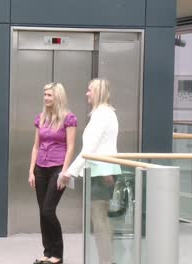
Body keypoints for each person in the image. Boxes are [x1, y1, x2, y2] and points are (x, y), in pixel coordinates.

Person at [62, 78, 122, 264]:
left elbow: (89, 149)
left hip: (101, 172)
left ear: (98, 92)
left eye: (89, 90)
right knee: (100, 218)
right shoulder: (104, 113)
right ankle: (107, 259)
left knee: (99, 219)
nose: (87, 93)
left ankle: (107, 260)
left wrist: (69, 172)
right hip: (101, 170)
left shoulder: (102, 114)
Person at [29, 83, 77, 264]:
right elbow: (36, 146)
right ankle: (47, 252)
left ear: (58, 97)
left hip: (58, 168)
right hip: (40, 168)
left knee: (49, 210)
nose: (46, 98)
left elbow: (71, 147)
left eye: (49, 95)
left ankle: (58, 254)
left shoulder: (69, 118)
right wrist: (30, 171)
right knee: (42, 211)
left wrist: (65, 172)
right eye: (45, 95)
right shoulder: (40, 118)